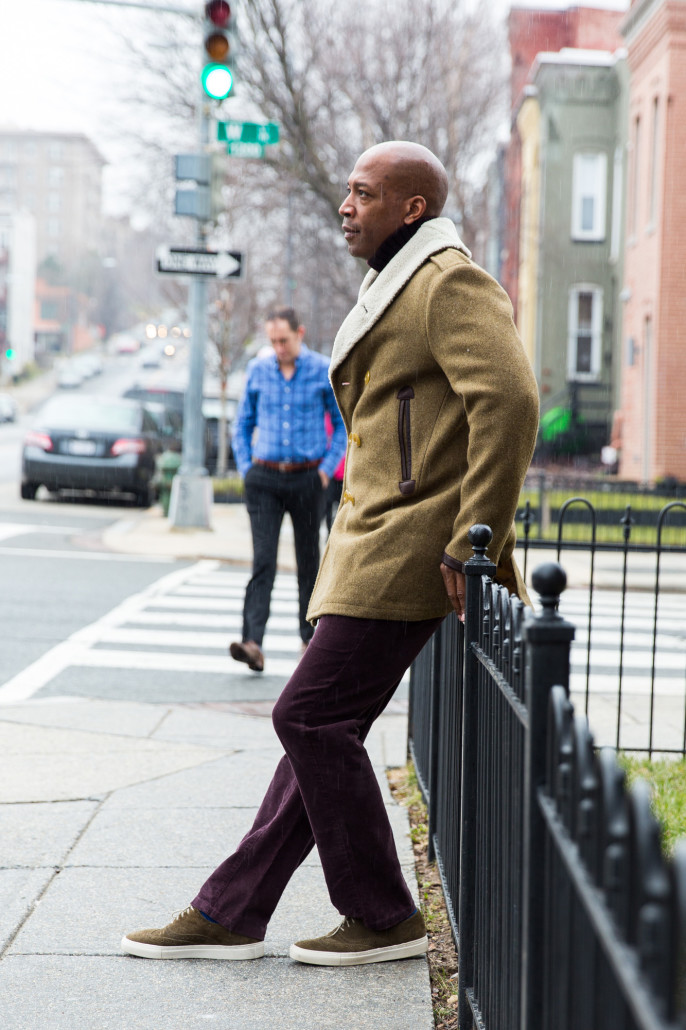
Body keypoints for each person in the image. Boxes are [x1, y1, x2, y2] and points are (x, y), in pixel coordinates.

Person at [122, 141, 539, 967]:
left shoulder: (445, 279)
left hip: (414, 546)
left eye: (363, 193)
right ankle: (231, 909)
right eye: (347, 190)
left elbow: (512, 400)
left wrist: (472, 539)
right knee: (324, 724)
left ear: (410, 208)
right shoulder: (394, 282)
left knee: (307, 715)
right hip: (378, 537)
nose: (346, 206)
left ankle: (381, 914)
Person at [227, 308, 346, 673]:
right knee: (263, 560)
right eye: (273, 341)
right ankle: (252, 643)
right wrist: (247, 468)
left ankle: (308, 641)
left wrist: (326, 472)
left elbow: (343, 426)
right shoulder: (259, 371)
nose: (278, 347)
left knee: (309, 560)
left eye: (284, 340)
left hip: (308, 479)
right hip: (264, 479)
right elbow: (242, 423)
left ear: (300, 334)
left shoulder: (321, 370)